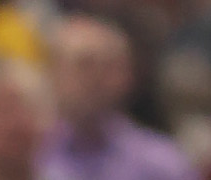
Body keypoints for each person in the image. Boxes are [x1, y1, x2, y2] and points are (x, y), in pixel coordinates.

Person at [38, 18, 197, 180]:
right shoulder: (30, 154)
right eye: (84, 65)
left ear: (127, 77)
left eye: (107, 67)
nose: (95, 79)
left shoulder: (160, 162)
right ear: (54, 73)